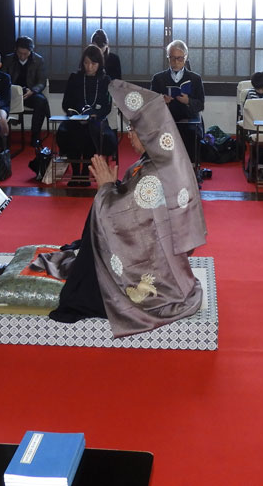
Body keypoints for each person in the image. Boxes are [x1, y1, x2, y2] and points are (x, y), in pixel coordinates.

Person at [48, 80, 208, 336]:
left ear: (149, 133)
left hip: (157, 273)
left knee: (86, 281)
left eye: (133, 129)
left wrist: (106, 189)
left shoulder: (152, 175)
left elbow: (125, 219)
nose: (129, 134)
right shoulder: (162, 158)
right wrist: (112, 189)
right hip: (165, 255)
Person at [55, 44, 117, 173]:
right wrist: (74, 113)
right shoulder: (75, 78)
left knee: (92, 132)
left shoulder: (105, 80)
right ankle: (75, 172)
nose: (89, 67)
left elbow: (107, 107)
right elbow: (66, 103)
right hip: (75, 120)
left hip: (96, 121)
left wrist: (95, 114)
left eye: (93, 64)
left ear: (100, 64)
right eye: (86, 63)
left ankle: (85, 171)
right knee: (69, 133)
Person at [149, 39, 205, 164]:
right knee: (160, 133)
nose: (176, 62)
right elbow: (151, 105)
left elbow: (200, 105)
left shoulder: (195, 79)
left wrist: (188, 101)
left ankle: (191, 167)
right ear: (168, 58)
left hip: (188, 119)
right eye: (172, 58)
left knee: (191, 133)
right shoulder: (158, 78)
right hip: (166, 119)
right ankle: (165, 167)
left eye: (179, 58)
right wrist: (161, 101)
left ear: (185, 58)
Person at [4, 35, 49, 146]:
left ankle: (35, 136)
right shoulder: (9, 59)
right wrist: (13, 89)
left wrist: (32, 91)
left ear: (31, 51)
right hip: (12, 93)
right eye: (20, 53)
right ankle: (4, 137)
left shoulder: (38, 60)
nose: (22, 56)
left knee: (41, 101)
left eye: (25, 53)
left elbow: (41, 82)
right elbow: (3, 79)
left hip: (29, 93)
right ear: (16, 50)